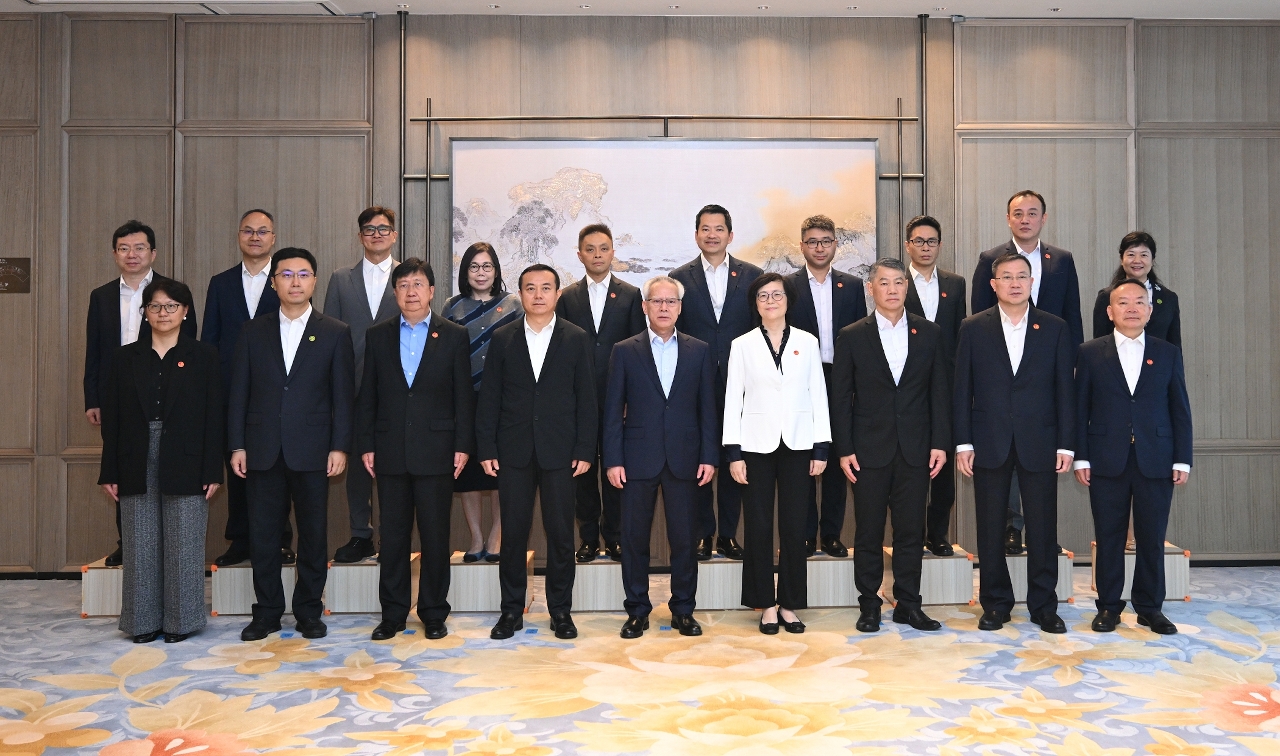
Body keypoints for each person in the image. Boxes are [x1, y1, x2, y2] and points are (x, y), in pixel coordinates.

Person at [228, 248, 355, 642]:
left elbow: (343, 397)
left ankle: (308, 611)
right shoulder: (252, 331)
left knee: (313, 535)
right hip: (262, 448)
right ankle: (267, 612)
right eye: (286, 275)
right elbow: (239, 392)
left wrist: (340, 446)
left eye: (303, 274)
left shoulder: (335, 331)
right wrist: (237, 445)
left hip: (314, 449)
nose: (295, 282)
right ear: (274, 283)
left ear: (314, 281)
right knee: (264, 535)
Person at [954, 252, 1076, 634]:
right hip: (988, 440)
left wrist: (1066, 444)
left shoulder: (1055, 327)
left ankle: (1044, 605)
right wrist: (962, 443)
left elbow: (1065, 390)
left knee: (1042, 527)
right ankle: (995, 604)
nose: (1015, 283)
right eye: (1006, 277)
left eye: (1022, 276)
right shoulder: (973, 327)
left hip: (1040, 440)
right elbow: (962, 390)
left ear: (1032, 282)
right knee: (990, 527)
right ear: (994, 285)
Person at [475, 264, 597, 641]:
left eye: (546, 288)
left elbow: (587, 398)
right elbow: (490, 397)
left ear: (558, 294)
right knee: (513, 534)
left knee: (561, 535)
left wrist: (585, 449)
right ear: (520, 294)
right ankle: (511, 611)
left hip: (561, 452)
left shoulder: (576, 337)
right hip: (513, 451)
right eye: (530, 288)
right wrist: (486, 447)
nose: (538, 295)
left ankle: (560, 611)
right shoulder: (503, 337)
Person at [98, 279, 222, 644]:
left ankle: (181, 622)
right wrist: (109, 470)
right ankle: (142, 622)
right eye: (154, 306)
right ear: (145, 313)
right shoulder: (124, 358)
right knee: (140, 542)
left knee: (184, 543)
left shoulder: (205, 356)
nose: (162, 313)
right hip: (134, 455)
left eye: (171, 306)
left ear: (185, 312)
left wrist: (212, 469)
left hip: (187, 456)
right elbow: (113, 419)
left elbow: (214, 416)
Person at [357, 258, 474, 642]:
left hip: (438, 450)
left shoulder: (453, 335)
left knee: (436, 537)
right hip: (390, 449)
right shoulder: (378, 335)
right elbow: (368, 394)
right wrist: (367, 443)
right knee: (392, 538)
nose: (411, 292)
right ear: (395, 292)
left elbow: (462, 396)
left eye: (418, 284)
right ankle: (392, 614)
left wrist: (463, 445)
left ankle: (434, 613)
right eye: (404, 285)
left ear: (432, 291)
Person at [832, 257, 949, 634]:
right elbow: (840, 397)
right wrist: (844, 448)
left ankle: (908, 604)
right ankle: (869, 605)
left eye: (899, 282)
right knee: (868, 532)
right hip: (867, 451)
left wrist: (940, 443)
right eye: (884, 283)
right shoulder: (852, 335)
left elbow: (939, 392)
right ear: (871, 289)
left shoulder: (929, 332)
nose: (893, 289)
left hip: (916, 449)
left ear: (906, 287)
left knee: (911, 532)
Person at [1075, 279, 1192, 635]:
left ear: (1150, 311)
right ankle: (1108, 606)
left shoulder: (1167, 352)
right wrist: (1081, 458)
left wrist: (1182, 458)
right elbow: (1079, 409)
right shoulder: (1090, 352)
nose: (1131, 308)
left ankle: (1150, 607)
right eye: (1123, 302)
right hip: (1105, 457)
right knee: (1108, 535)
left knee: (1152, 537)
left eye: (1139, 301)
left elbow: (1180, 407)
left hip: (1156, 458)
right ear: (1110, 312)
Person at [604, 275, 717, 639]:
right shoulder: (625, 350)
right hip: (636, 458)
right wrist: (613, 459)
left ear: (680, 308)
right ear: (645, 307)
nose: (664, 307)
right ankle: (637, 610)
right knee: (634, 539)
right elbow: (612, 409)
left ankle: (683, 609)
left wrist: (709, 456)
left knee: (684, 540)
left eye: (671, 302)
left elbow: (708, 409)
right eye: (657, 301)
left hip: (686, 457)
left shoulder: (699, 350)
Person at [970, 190, 1082, 557]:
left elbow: (1072, 313)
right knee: (1004, 457)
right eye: (1018, 213)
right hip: (1002, 377)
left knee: (1037, 459)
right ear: (1008, 218)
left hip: (1047, 371)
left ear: (1043, 218)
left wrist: (1073, 364)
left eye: (1032, 213)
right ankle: (1011, 528)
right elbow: (980, 316)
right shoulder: (990, 259)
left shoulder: (1061, 259)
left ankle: (1040, 536)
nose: (1025, 219)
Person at [85, 220, 198, 566]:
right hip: (119, 396)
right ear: (115, 254)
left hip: (165, 394)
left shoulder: (173, 294)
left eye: (139, 248)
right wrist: (93, 398)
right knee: (126, 468)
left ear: (153, 253)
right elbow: (94, 351)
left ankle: (167, 542)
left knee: (169, 467)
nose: (131, 254)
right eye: (124, 248)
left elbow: (190, 347)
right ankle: (129, 541)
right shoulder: (101, 296)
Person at [724, 272, 830, 635]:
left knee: (795, 526)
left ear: (788, 301)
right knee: (758, 526)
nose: (770, 301)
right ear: (755, 304)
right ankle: (765, 604)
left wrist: (821, 446)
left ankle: (789, 604)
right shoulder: (742, 345)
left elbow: (818, 394)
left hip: (799, 444)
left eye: (777, 295)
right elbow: (733, 399)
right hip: (755, 445)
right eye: (763, 296)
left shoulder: (807, 342)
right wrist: (733, 453)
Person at [670, 204, 763, 560]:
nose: (712, 235)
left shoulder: (752, 275)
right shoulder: (679, 278)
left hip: (742, 383)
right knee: (700, 460)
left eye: (719, 229)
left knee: (733, 460)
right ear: (696, 235)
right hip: (695, 384)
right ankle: (703, 534)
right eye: (705, 229)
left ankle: (728, 534)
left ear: (730, 234)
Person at [201, 209, 287, 567]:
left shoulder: (286, 280)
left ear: (273, 238)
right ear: (239, 236)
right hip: (230, 391)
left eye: (262, 231)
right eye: (248, 231)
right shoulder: (220, 283)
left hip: (275, 390)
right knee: (236, 467)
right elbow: (209, 341)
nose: (255, 237)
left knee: (278, 467)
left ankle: (280, 539)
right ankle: (240, 540)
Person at [556, 224, 646, 564]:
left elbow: (638, 350)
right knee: (581, 472)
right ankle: (589, 538)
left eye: (603, 248)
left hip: (617, 400)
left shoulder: (631, 295)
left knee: (615, 470)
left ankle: (616, 537)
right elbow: (560, 351)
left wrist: (631, 398)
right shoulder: (567, 298)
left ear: (612, 253)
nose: (597, 254)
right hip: (578, 401)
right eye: (590, 249)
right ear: (579, 255)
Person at [324, 206, 401, 564]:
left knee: (391, 466)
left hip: (396, 388)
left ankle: (390, 536)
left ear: (394, 235)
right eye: (369, 229)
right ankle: (360, 534)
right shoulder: (341, 279)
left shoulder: (407, 276)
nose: (376, 234)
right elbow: (330, 335)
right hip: (351, 386)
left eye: (383, 229)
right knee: (355, 464)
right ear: (360, 236)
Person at [787, 215, 866, 558]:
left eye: (826, 241)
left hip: (841, 379)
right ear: (802, 246)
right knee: (803, 456)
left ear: (835, 244)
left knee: (837, 455)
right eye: (812, 241)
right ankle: (806, 535)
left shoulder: (852, 285)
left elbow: (861, 337)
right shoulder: (788, 286)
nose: (819, 247)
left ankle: (831, 534)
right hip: (800, 380)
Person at [443, 243, 523, 563]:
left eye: (487, 266)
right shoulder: (452, 306)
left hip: (503, 400)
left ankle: (496, 535)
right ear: (465, 272)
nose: (481, 273)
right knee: (469, 473)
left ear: (496, 270)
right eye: (474, 267)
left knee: (500, 471)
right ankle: (476, 536)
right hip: (463, 400)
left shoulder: (513, 304)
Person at [902, 215, 967, 556]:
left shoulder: (955, 284)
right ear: (907, 245)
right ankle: (912, 533)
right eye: (918, 241)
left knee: (944, 462)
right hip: (908, 385)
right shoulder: (896, 282)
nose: (925, 247)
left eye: (931, 241)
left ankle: (938, 532)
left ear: (940, 245)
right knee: (911, 464)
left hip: (946, 384)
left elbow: (960, 335)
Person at [1092, 231, 1181, 347]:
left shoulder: (1168, 297)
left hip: (1159, 359)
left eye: (1144, 255)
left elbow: (1175, 345)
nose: (1137, 260)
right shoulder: (1106, 296)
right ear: (1121, 259)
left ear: (1152, 260)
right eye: (1131, 254)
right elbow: (1100, 344)